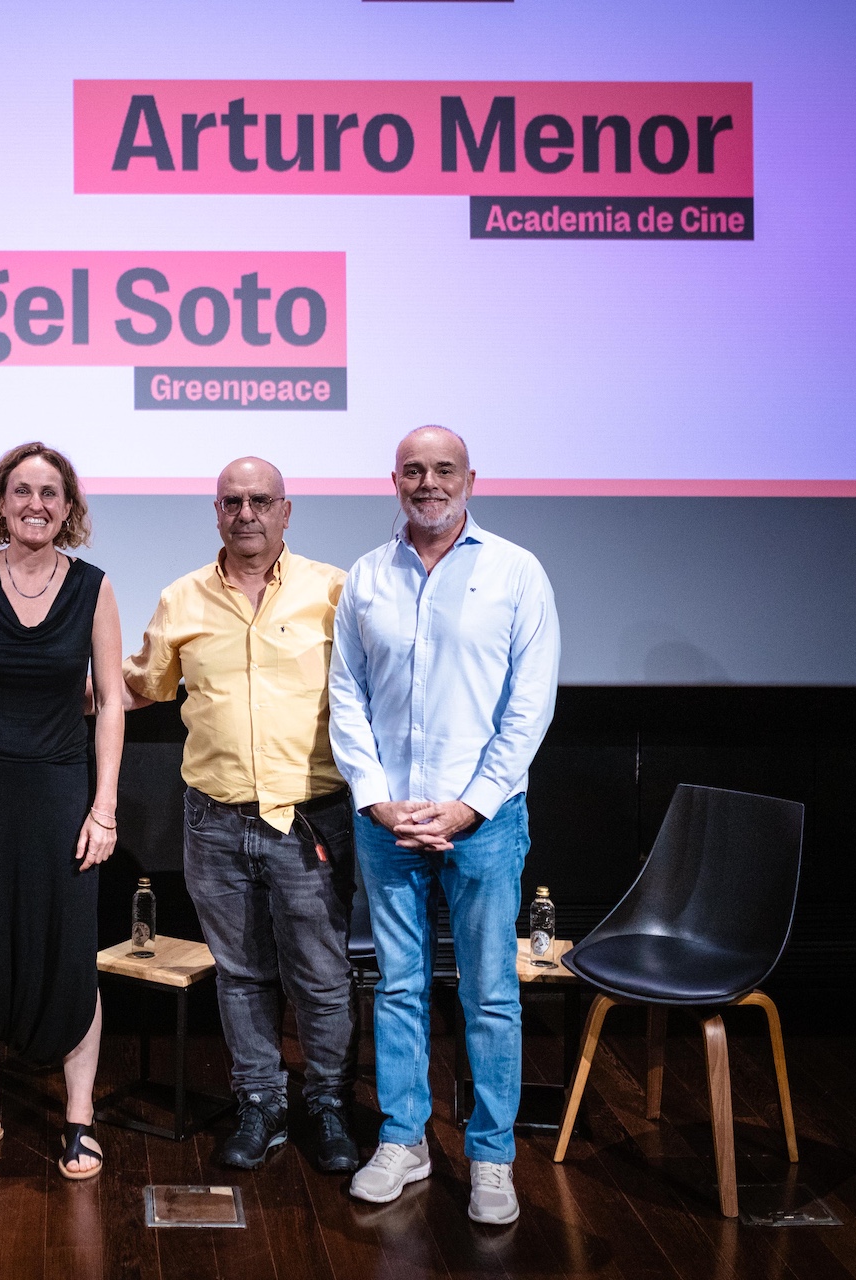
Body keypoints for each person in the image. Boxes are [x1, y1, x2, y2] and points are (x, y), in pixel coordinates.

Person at [327, 427, 560, 1226]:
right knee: (398, 987)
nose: (428, 483)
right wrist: (376, 798)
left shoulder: (516, 572)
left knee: (490, 994)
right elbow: (346, 696)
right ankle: (405, 1140)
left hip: (483, 824)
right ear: (394, 480)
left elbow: (530, 707)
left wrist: (470, 805)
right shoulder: (367, 576)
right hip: (388, 823)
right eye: (414, 471)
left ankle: (491, 1156)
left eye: (444, 470)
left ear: (470, 478)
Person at [122, 456, 361, 1174]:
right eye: (232, 501)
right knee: (241, 973)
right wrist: (44, 690)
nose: (246, 513)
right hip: (215, 821)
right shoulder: (182, 598)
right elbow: (143, 684)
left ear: (286, 511)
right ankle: (261, 1102)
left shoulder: (334, 591)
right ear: (217, 512)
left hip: (309, 821)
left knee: (320, 975)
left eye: (260, 500)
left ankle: (328, 1104)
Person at [0, 442, 125, 1181]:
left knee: (70, 948)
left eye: (49, 492)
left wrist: (104, 808)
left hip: (61, 791)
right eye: (21, 491)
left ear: (67, 508)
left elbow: (111, 704)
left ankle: (79, 1118)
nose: (35, 504)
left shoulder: (94, 588)